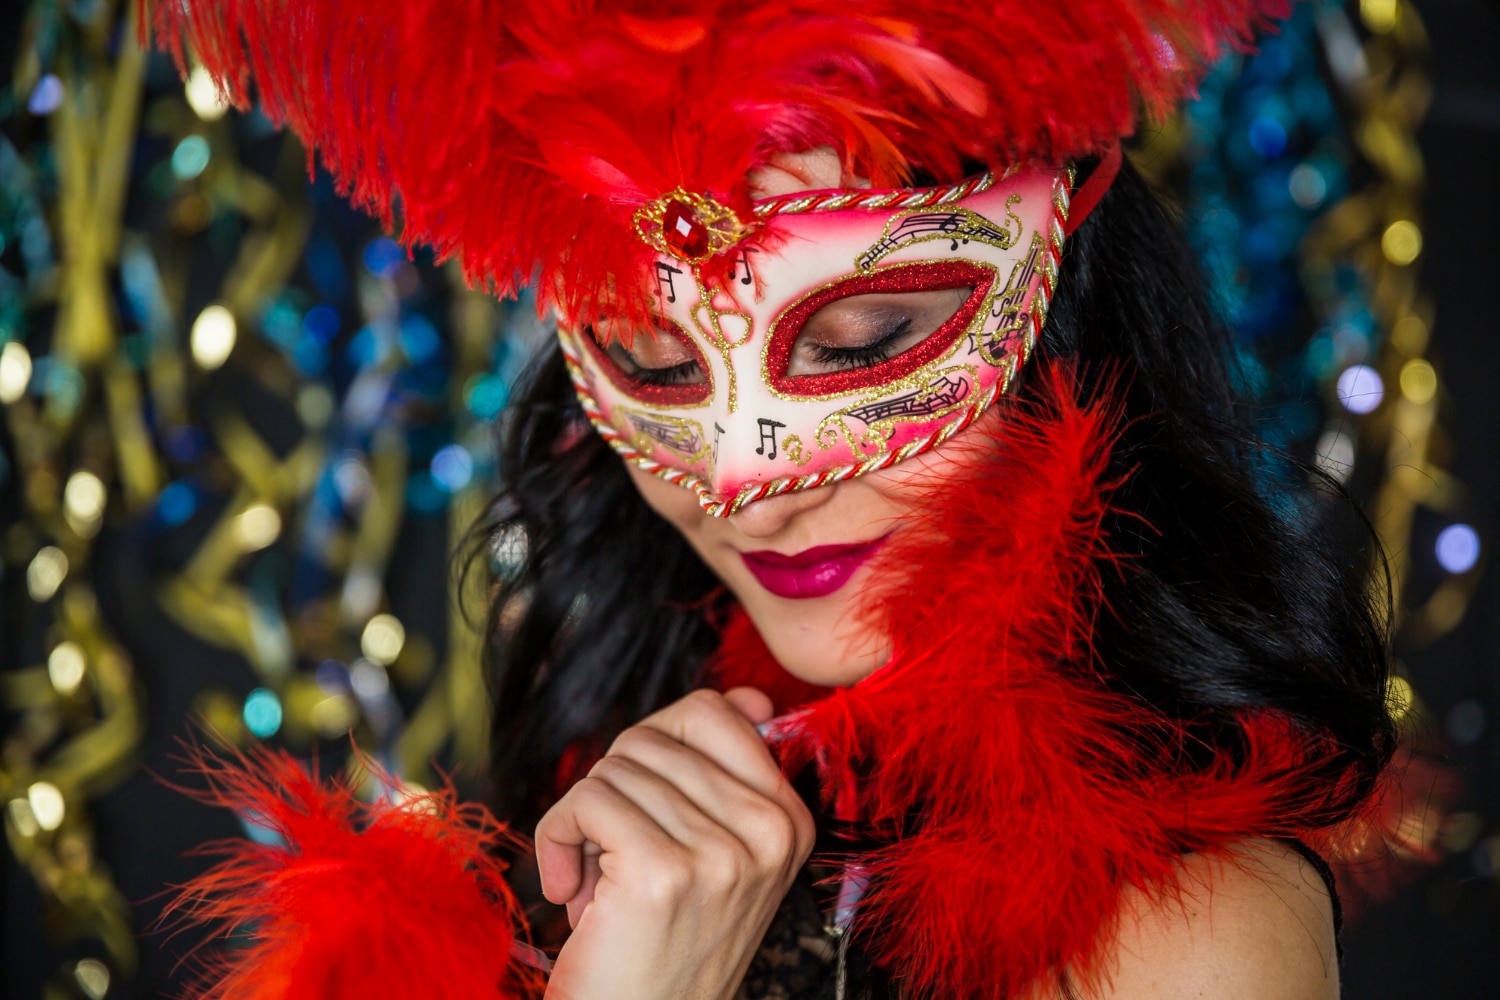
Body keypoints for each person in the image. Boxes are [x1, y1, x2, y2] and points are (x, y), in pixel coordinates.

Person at [158, 2, 1397, 998]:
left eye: (862, 345)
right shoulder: (585, 821)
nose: (751, 492)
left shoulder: (1188, 933)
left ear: (1060, 305)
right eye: (652, 362)